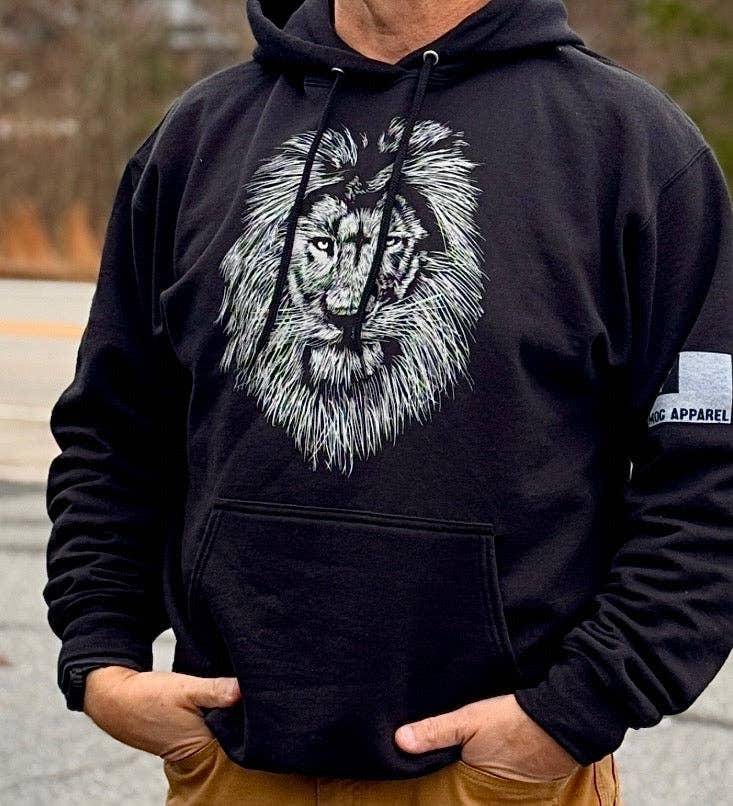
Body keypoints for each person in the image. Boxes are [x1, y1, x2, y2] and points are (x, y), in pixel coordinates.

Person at [43, 0, 733, 803]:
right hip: (230, 762)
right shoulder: (199, 134)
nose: (342, 297)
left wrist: (577, 709)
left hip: (491, 773)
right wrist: (101, 656)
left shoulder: (630, 145)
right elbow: (113, 429)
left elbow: (709, 468)